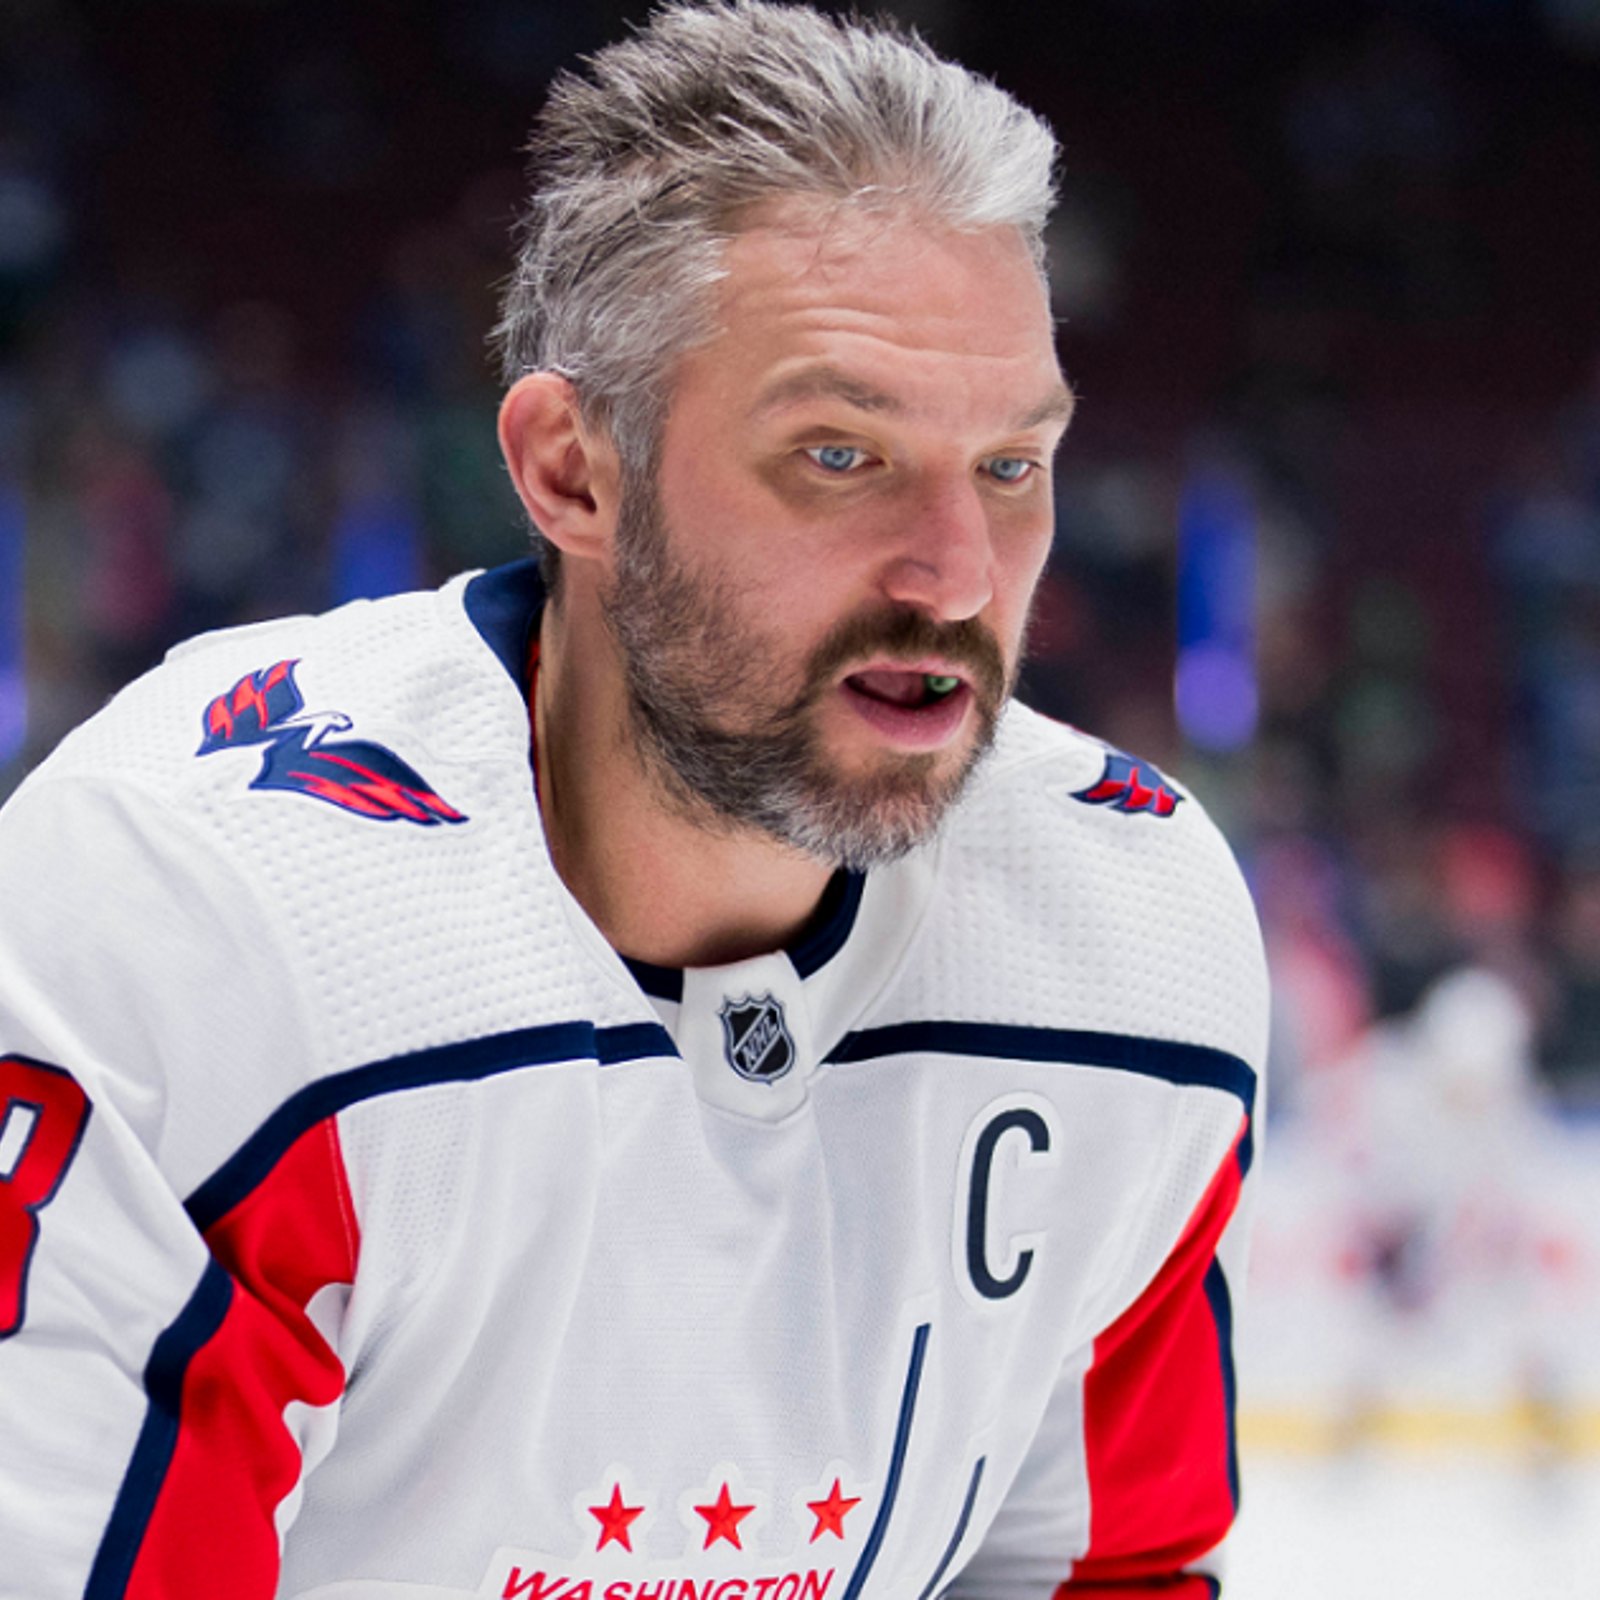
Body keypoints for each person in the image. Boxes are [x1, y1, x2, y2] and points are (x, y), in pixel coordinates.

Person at [0, 4, 1268, 1596]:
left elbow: (1105, 1570)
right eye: (839, 454)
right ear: (573, 472)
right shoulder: (204, 909)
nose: (958, 573)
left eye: (1012, 467)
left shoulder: (1131, 924)